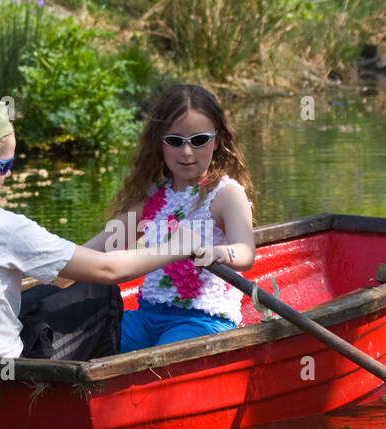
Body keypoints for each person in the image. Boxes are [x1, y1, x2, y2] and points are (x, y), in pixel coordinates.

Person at [0, 96, 210, 359]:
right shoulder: (2, 227)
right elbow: (106, 271)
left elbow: (62, 273)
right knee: (99, 290)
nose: (8, 176)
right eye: (5, 166)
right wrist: (175, 248)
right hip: (2, 374)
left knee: (43, 292)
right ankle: (100, 397)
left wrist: (120, 231)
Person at [82, 84, 257, 353]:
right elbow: (100, 248)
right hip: (147, 315)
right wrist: (42, 257)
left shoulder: (226, 195)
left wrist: (220, 252)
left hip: (203, 319)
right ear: (160, 143)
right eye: (175, 141)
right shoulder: (152, 198)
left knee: (163, 356)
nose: (187, 152)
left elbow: (245, 252)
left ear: (217, 140)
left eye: (199, 140)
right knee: (91, 345)